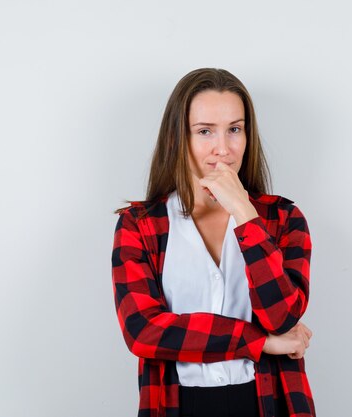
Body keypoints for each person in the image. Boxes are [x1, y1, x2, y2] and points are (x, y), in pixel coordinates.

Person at [111, 68, 316, 417]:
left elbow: (282, 317)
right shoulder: (140, 226)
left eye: (234, 129)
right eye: (205, 131)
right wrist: (259, 342)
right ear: (178, 139)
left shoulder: (282, 219)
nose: (223, 148)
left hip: (267, 404)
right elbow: (143, 332)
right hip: (178, 405)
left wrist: (242, 211)